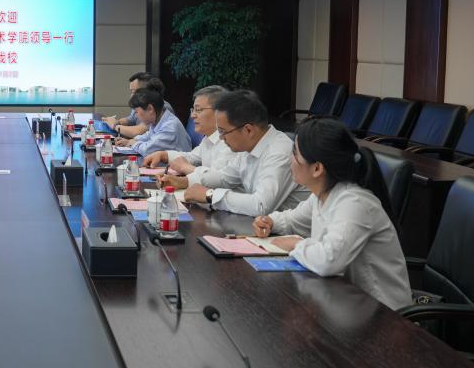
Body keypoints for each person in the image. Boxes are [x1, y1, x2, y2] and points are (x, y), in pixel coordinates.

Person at [252, 118, 411, 310]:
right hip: (348, 303)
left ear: (317, 168)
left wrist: (296, 244)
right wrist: (270, 221)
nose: (289, 160)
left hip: (384, 313)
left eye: (295, 154)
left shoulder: (354, 203)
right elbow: (292, 220)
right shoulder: (323, 194)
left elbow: (329, 261)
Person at [182, 90, 308, 215]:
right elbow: (224, 178)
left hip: (288, 227)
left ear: (248, 130)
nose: (220, 137)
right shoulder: (248, 145)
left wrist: (210, 195)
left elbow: (261, 205)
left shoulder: (279, 152)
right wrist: (184, 181)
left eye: (223, 131)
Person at [143, 85, 236, 187]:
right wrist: (164, 155)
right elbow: (192, 157)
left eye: (198, 110)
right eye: (193, 110)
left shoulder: (230, 141)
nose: (192, 116)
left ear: (219, 112)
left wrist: (187, 168)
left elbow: (219, 179)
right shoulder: (208, 138)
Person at [114, 89, 191, 157]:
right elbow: (148, 136)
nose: (136, 116)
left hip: (178, 168)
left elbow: (147, 150)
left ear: (150, 109)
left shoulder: (170, 127)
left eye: (136, 112)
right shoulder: (159, 120)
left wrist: (132, 143)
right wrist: (128, 141)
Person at [104, 74, 174, 139]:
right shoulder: (141, 104)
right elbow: (131, 120)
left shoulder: (162, 107)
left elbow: (138, 132)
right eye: (131, 92)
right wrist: (117, 122)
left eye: (135, 92)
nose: (131, 96)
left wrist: (114, 126)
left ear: (148, 91)